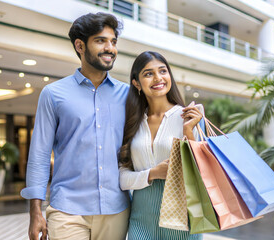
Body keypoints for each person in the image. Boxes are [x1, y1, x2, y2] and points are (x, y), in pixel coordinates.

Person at [20, 12, 130, 240]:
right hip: (66, 210)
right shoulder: (53, 94)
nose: (110, 48)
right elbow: (39, 156)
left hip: (116, 209)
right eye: (101, 41)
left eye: (113, 41)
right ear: (80, 46)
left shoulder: (127, 94)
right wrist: (35, 212)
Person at [119, 51, 203, 240]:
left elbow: (202, 172)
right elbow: (122, 178)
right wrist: (152, 173)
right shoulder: (132, 123)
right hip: (141, 219)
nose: (158, 78)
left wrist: (189, 132)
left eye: (163, 71)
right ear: (136, 83)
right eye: (148, 73)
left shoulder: (190, 117)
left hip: (183, 220)